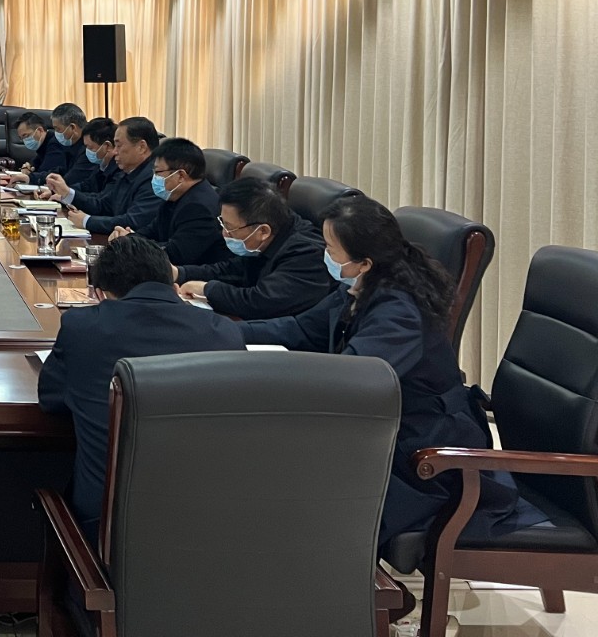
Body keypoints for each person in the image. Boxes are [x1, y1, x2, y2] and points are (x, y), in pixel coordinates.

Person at [240, 197, 542, 546]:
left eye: (330, 249)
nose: (325, 255)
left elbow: (351, 385)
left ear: (364, 262)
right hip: (390, 428)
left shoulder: (398, 311)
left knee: (285, 476)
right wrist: (220, 332)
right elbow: (299, 328)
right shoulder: (362, 286)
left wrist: (274, 381)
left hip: (423, 455)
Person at [37, 235, 245, 539]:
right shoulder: (224, 332)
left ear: (101, 294)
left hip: (107, 528)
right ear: (172, 284)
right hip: (210, 526)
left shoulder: (82, 327)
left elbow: (51, 400)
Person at [173, 177, 332, 319]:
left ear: (263, 231)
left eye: (230, 228)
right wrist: (181, 273)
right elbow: (234, 269)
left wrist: (208, 289)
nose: (224, 233)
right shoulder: (271, 229)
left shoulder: (307, 254)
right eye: (223, 224)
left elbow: (260, 303)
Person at [113, 137, 227, 266]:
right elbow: (153, 230)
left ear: (181, 176)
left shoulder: (199, 207)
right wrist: (129, 238)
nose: (154, 178)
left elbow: (176, 254)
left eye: (158, 172)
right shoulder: (175, 195)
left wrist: (131, 243)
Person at [47, 116, 160, 237]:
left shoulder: (155, 178)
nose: (114, 152)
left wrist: (87, 221)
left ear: (141, 147)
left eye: (119, 145)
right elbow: (103, 204)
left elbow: (133, 221)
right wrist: (68, 194)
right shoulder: (128, 173)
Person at [1, 109, 77, 187]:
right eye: (21, 138)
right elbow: (34, 163)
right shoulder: (43, 145)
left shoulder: (55, 143)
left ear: (40, 130)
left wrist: (29, 176)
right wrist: (28, 167)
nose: (24, 141)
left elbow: (47, 173)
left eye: (25, 136)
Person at [64, 117, 119, 192]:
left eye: (90, 147)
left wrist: (69, 195)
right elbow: (87, 185)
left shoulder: (119, 170)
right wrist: (63, 191)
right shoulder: (101, 165)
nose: (87, 151)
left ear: (107, 146)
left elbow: (102, 197)